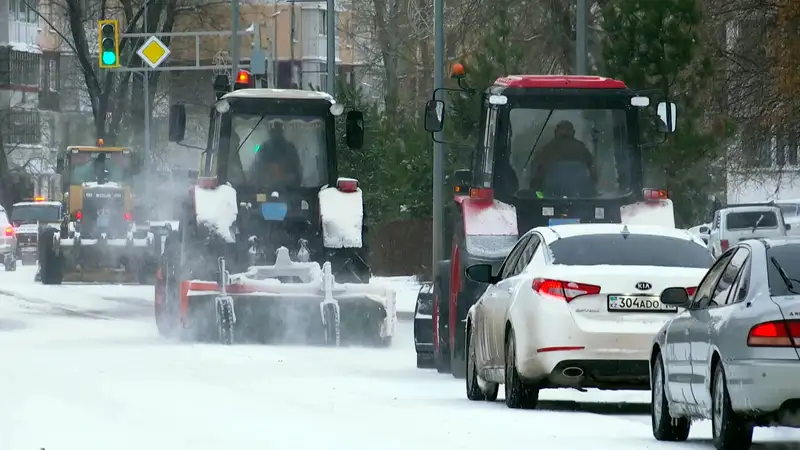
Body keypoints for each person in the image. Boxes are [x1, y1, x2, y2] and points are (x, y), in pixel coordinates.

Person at [528, 120, 597, 195]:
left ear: (555, 132)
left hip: (551, 196)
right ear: (573, 132)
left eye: (566, 129)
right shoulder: (581, 148)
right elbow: (594, 172)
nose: (565, 131)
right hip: (579, 197)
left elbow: (535, 176)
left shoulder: (546, 150)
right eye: (564, 129)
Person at [255, 121, 302, 187]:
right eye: (274, 131)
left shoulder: (290, 148)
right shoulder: (264, 148)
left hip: (288, 189)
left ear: (281, 131)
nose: (276, 134)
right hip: (268, 187)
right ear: (271, 132)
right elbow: (258, 170)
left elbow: (296, 171)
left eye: (278, 130)